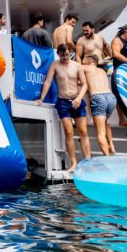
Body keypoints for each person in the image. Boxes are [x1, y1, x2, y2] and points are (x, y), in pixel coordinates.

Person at [37, 43, 91, 172]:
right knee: (68, 132)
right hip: (63, 102)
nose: (65, 57)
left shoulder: (77, 66)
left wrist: (78, 98)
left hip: (77, 100)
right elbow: (48, 82)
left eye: (67, 54)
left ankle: (88, 161)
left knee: (83, 131)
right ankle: (73, 163)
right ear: (59, 54)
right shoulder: (55, 65)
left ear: (70, 53)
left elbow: (84, 85)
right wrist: (41, 98)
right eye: (63, 55)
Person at [82, 54, 116, 155]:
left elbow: (72, 66)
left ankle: (107, 158)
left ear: (89, 60)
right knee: (105, 123)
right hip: (111, 97)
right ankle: (111, 145)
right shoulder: (102, 71)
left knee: (100, 132)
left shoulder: (85, 68)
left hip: (98, 97)